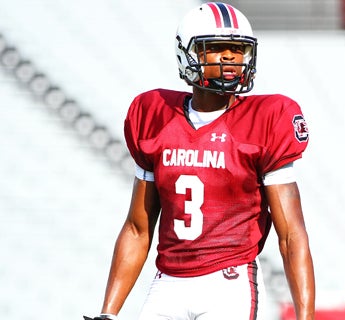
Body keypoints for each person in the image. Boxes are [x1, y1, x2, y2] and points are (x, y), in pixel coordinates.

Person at [88, 2, 315, 319]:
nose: (230, 58)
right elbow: (138, 229)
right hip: (167, 281)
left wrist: (306, 317)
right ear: (188, 53)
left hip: (229, 283)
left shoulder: (265, 120)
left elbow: (291, 234)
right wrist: (108, 313)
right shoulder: (155, 116)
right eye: (218, 47)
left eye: (237, 49)